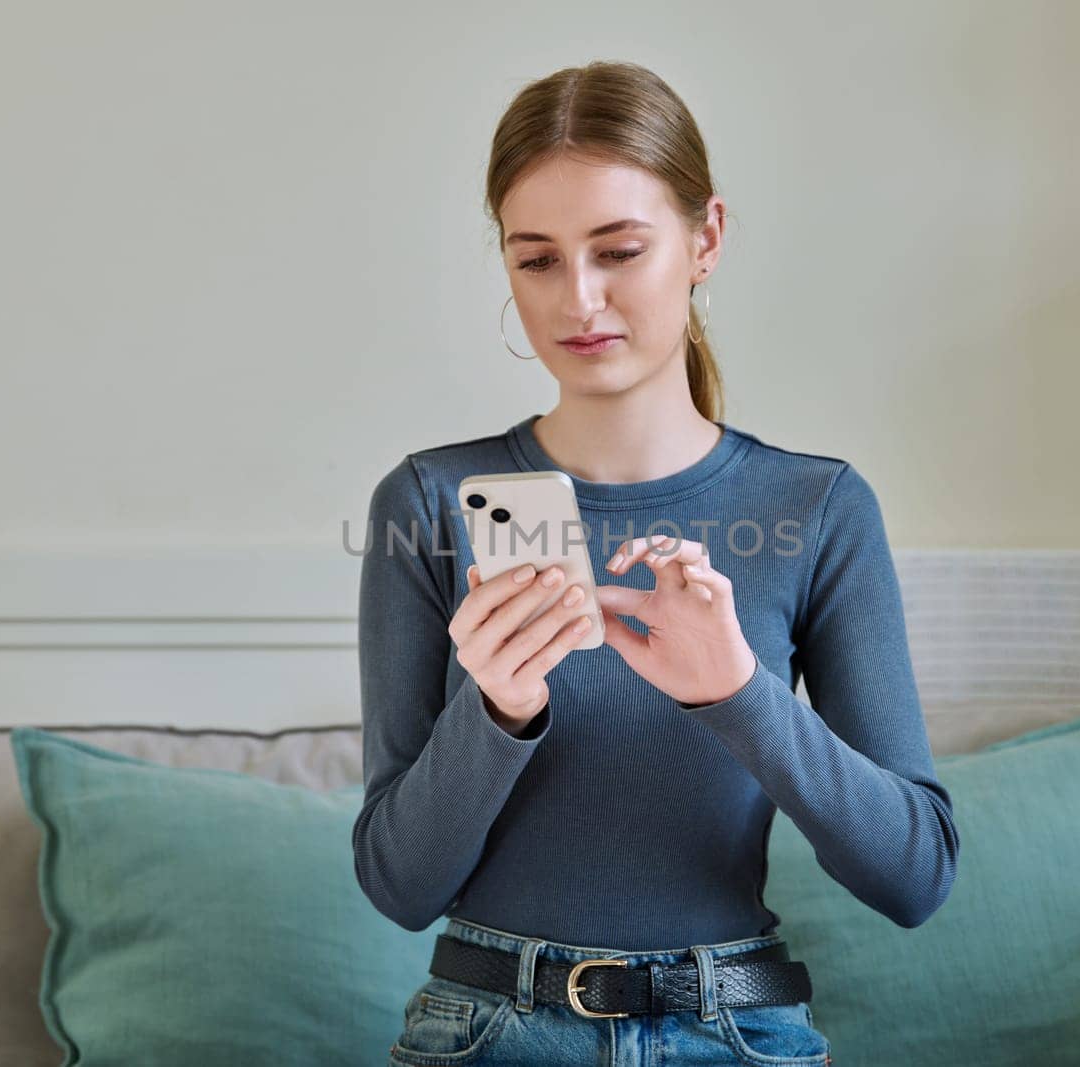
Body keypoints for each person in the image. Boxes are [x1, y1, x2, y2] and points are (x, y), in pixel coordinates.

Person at [353, 60, 959, 1067]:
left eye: (618, 249)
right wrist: (494, 711)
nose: (578, 298)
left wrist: (735, 690)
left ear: (704, 238)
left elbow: (915, 876)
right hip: (484, 1030)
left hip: (737, 1027)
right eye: (536, 259)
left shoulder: (815, 508)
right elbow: (398, 885)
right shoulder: (425, 504)